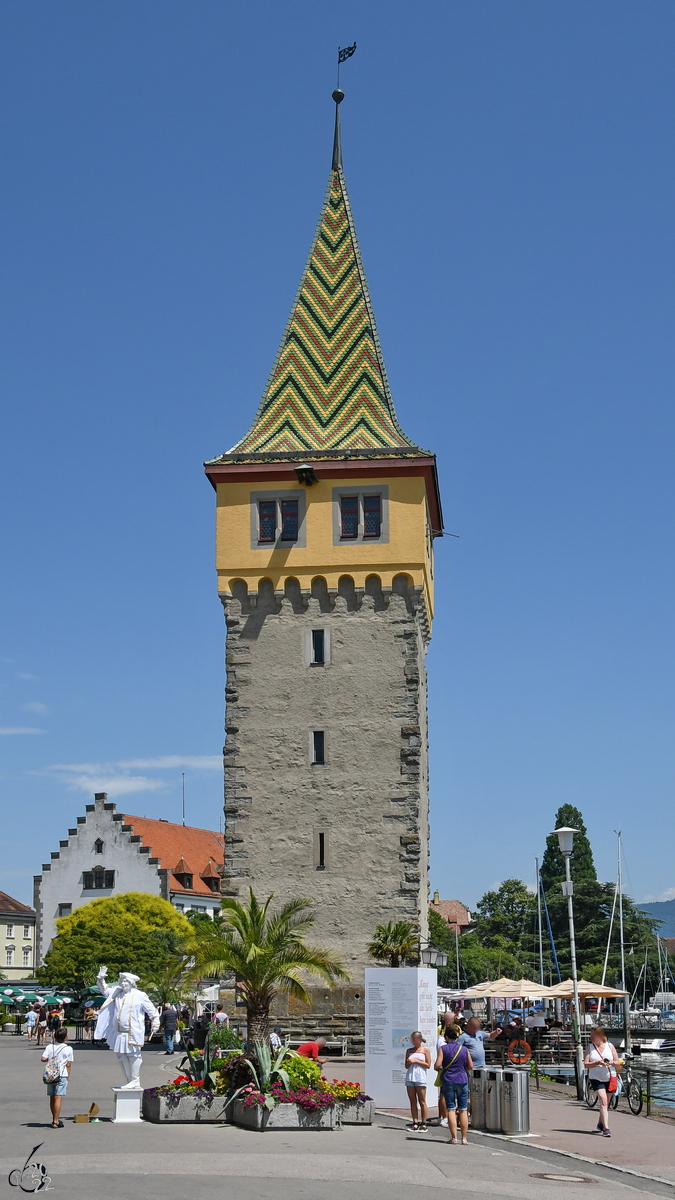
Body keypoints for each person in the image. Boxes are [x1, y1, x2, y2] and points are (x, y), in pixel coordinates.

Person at [434, 1025, 473, 1145]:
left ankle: (454, 1138)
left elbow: (437, 1064)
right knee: (463, 1109)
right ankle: (465, 1138)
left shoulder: (443, 1049)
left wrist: (441, 1068)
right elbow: (470, 1066)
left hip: (448, 1080)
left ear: (446, 1037)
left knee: (450, 1109)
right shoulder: (464, 1049)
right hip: (462, 1079)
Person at [584, 1027, 620, 1138]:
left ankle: (601, 1123)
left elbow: (618, 1062)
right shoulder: (590, 1048)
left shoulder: (610, 1046)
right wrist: (597, 1063)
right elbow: (586, 1064)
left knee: (606, 1103)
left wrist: (612, 1062)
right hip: (596, 1078)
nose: (591, 1037)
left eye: (592, 1035)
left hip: (610, 1077)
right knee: (603, 1101)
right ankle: (606, 1128)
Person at [41, 1027, 73, 1128]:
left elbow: (43, 1058)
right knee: (58, 1097)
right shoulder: (68, 1049)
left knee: (52, 1097)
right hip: (62, 1074)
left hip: (51, 1075)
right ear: (66, 1037)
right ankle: (56, 1121)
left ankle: (54, 1118)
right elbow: (68, 1064)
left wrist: (50, 1060)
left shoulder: (50, 1047)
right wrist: (68, 1077)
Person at [404, 1031, 431, 1132]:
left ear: (419, 1039)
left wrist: (416, 1061)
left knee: (422, 1101)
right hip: (410, 1077)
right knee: (412, 1101)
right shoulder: (409, 1051)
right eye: (412, 1040)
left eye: (415, 1039)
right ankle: (415, 1122)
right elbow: (406, 1066)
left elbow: (428, 1065)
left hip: (420, 1078)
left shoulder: (425, 1050)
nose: (414, 1041)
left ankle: (424, 1123)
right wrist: (409, 1062)